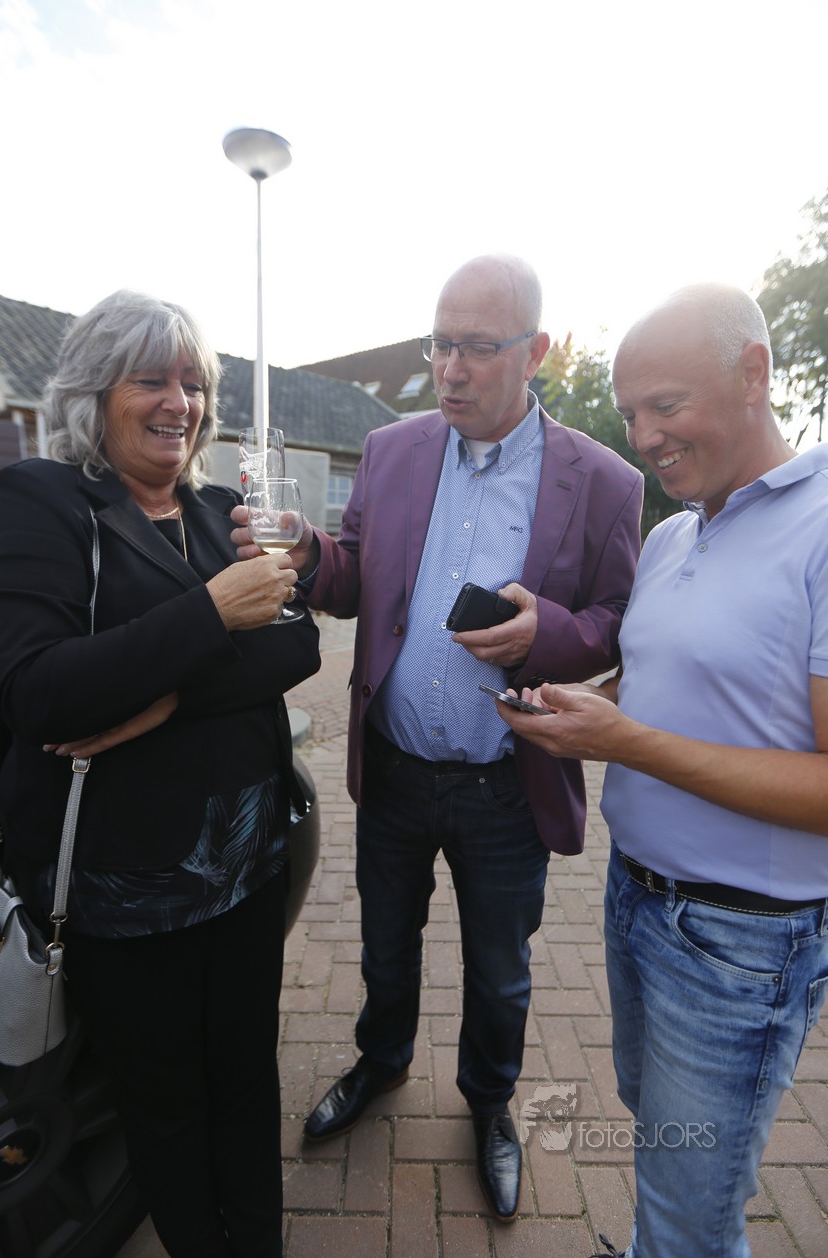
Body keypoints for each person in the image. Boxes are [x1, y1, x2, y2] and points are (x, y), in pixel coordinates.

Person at [234, 253, 644, 1221]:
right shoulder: (391, 449)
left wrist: (543, 632)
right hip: (395, 768)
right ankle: (381, 1061)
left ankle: (489, 1103)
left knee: (499, 972)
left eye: (476, 347)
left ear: (536, 352)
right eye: (438, 344)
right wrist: (308, 550)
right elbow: (353, 577)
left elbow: (616, 619)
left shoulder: (603, 481)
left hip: (506, 781)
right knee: (384, 946)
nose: (448, 370)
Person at [497, 283, 828, 1257]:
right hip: (636, 896)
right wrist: (580, 703)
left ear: (752, 373)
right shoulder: (670, 531)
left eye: (665, 405)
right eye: (629, 412)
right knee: (662, 1136)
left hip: (737, 935)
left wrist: (622, 742)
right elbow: (662, 682)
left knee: (692, 1208)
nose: (642, 437)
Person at [0, 290, 321, 1258]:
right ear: (95, 392)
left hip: (249, 865)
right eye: (151, 380)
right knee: (166, 1103)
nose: (180, 402)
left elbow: (296, 645)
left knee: (246, 1076)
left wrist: (163, 700)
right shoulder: (42, 500)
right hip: (124, 891)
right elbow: (42, 693)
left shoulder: (219, 509)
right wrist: (214, 613)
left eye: (194, 383)